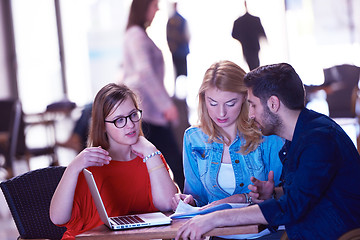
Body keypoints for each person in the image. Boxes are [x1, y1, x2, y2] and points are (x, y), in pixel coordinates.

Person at [175, 63, 360, 240]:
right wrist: (274, 193)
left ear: (273, 104)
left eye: (253, 105)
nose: (250, 114)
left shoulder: (318, 139)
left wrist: (215, 218)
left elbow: (291, 207)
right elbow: (304, 193)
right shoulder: (303, 134)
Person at [172, 60, 284, 239]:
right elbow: (197, 199)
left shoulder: (269, 136)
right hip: (218, 235)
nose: (221, 113)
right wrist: (187, 201)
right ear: (203, 100)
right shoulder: (193, 138)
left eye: (230, 103)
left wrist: (244, 198)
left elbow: (284, 197)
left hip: (266, 234)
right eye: (213, 103)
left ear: (245, 99)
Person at [50, 83, 178, 239]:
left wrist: (151, 152)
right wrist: (72, 168)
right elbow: (57, 218)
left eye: (133, 115)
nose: (130, 125)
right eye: (119, 120)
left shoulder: (150, 156)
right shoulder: (91, 164)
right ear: (103, 126)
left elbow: (167, 204)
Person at [121, 0, 185, 191]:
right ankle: (191, 207)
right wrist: (166, 105)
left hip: (146, 109)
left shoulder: (136, 34)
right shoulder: (137, 36)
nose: (157, 9)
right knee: (173, 162)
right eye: (154, 5)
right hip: (147, 110)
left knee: (166, 162)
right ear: (143, 7)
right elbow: (145, 73)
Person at [232, 0, 267, 71]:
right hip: (254, 46)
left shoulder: (238, 21)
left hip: (246, 47)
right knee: (255, 64)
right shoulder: (255, 19)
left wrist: (242, 39)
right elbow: (261, 32)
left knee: (252, 64)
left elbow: (234, 34)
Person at [166, 1, 190, 80]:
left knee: (178, 71)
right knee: (182, 71)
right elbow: (187, 36)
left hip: (176, 50)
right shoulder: (181, 20)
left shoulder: (172, 20)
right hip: (180, 50)